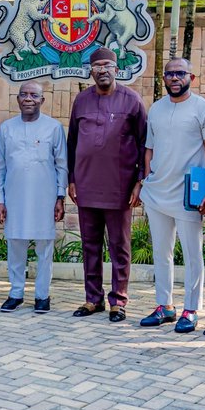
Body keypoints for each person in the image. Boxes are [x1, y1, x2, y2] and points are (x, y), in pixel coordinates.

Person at [138, 58, 205, 334]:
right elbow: (149, 148)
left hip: (189, 194)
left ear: (191, 77)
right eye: (170, 73)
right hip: (157, 191)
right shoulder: (156, 108)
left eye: (180, 73)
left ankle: (191, 308)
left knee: (192, 253)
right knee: (162, 253)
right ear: (164, 78)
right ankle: (165, 306)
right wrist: (147, 178)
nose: (175, 78)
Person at [67, 46, 148, 322]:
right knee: (90, 245)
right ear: (91, 71)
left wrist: (139, 182)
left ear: (116, 69)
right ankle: (93, 299)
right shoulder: (81, 101)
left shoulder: (132, 100)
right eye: (97, 65)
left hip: (120, 188)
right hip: (87, 185)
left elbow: (144, 144)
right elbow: (72, 143)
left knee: (119, 246)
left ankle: (119, 301)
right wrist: (72, 179)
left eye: (107, 65)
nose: (102, 70)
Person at [0, 81, 67, 314]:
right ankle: (16, 293)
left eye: (34, 95)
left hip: (44, 197)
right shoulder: (6, 128)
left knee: (45, 246)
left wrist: (60, 197)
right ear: (17, 99)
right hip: (14, 197)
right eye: (23, 94)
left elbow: (62, 165)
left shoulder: (54, 128)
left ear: (42, 100)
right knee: (15, 244)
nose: (28, 98)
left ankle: (42, 295)